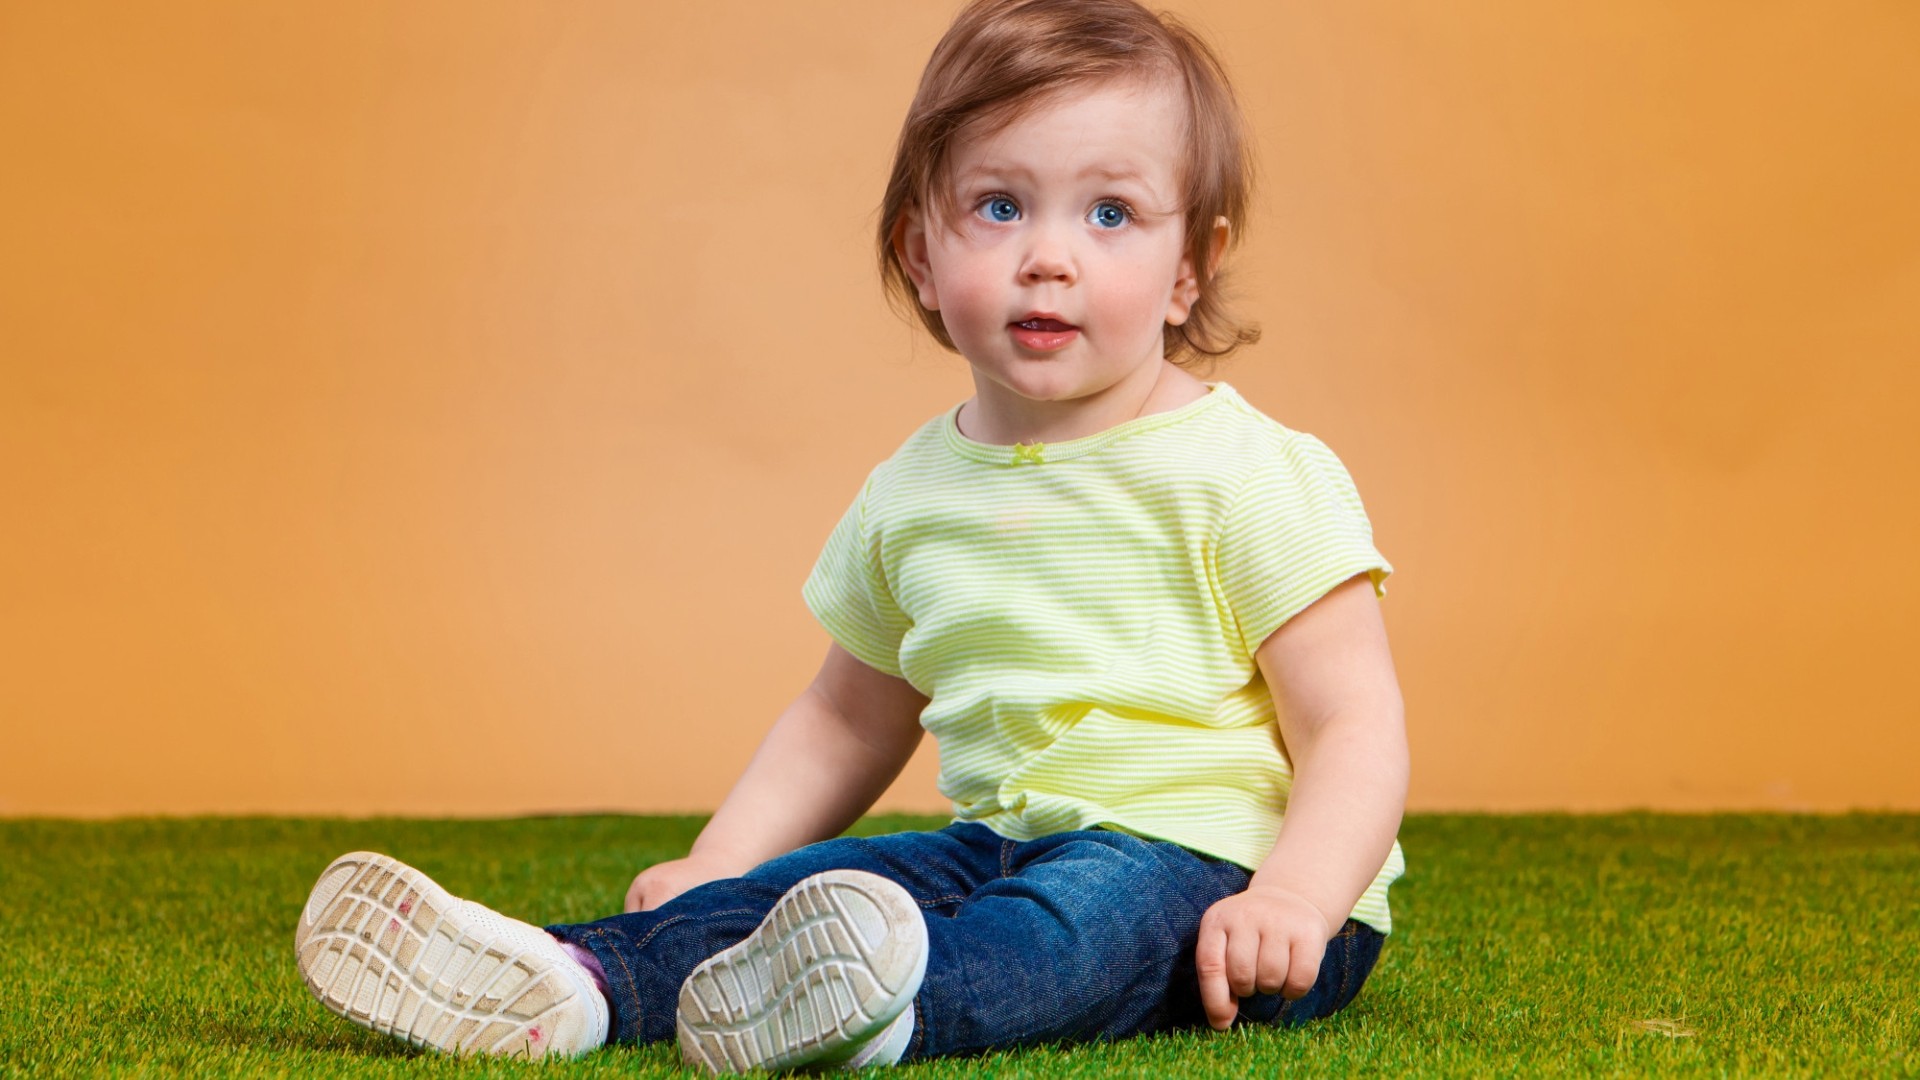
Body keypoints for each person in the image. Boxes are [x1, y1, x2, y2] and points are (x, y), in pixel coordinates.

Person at [292, 0, 1409, 1071]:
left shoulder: (1247, 471)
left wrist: (1298, 898)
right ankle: (576, 981)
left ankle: (882, 1016)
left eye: (1109, 214)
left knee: (1076, 924)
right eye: (1001, 207)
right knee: (834, 886)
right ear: (920, 254)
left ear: (1191, 270)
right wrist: (723, 857)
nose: (1049, 256)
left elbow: (1352, 721)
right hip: (999, 845)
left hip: (1217, 875)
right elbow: (844, 716)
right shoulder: (913, 491)